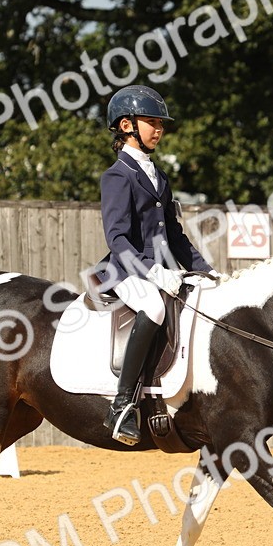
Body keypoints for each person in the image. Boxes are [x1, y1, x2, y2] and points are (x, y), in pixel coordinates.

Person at [94, 85, 215, 446]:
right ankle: (122, 406)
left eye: (160, 123)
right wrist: (153, 270)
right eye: (151, 122)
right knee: (153, 307)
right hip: (127, 269)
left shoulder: (158, 176)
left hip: (166, 270)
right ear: (126, 125)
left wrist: (206, 270)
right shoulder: (118, 175)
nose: (158, 129)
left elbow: (175, 235)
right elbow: (117, 239)